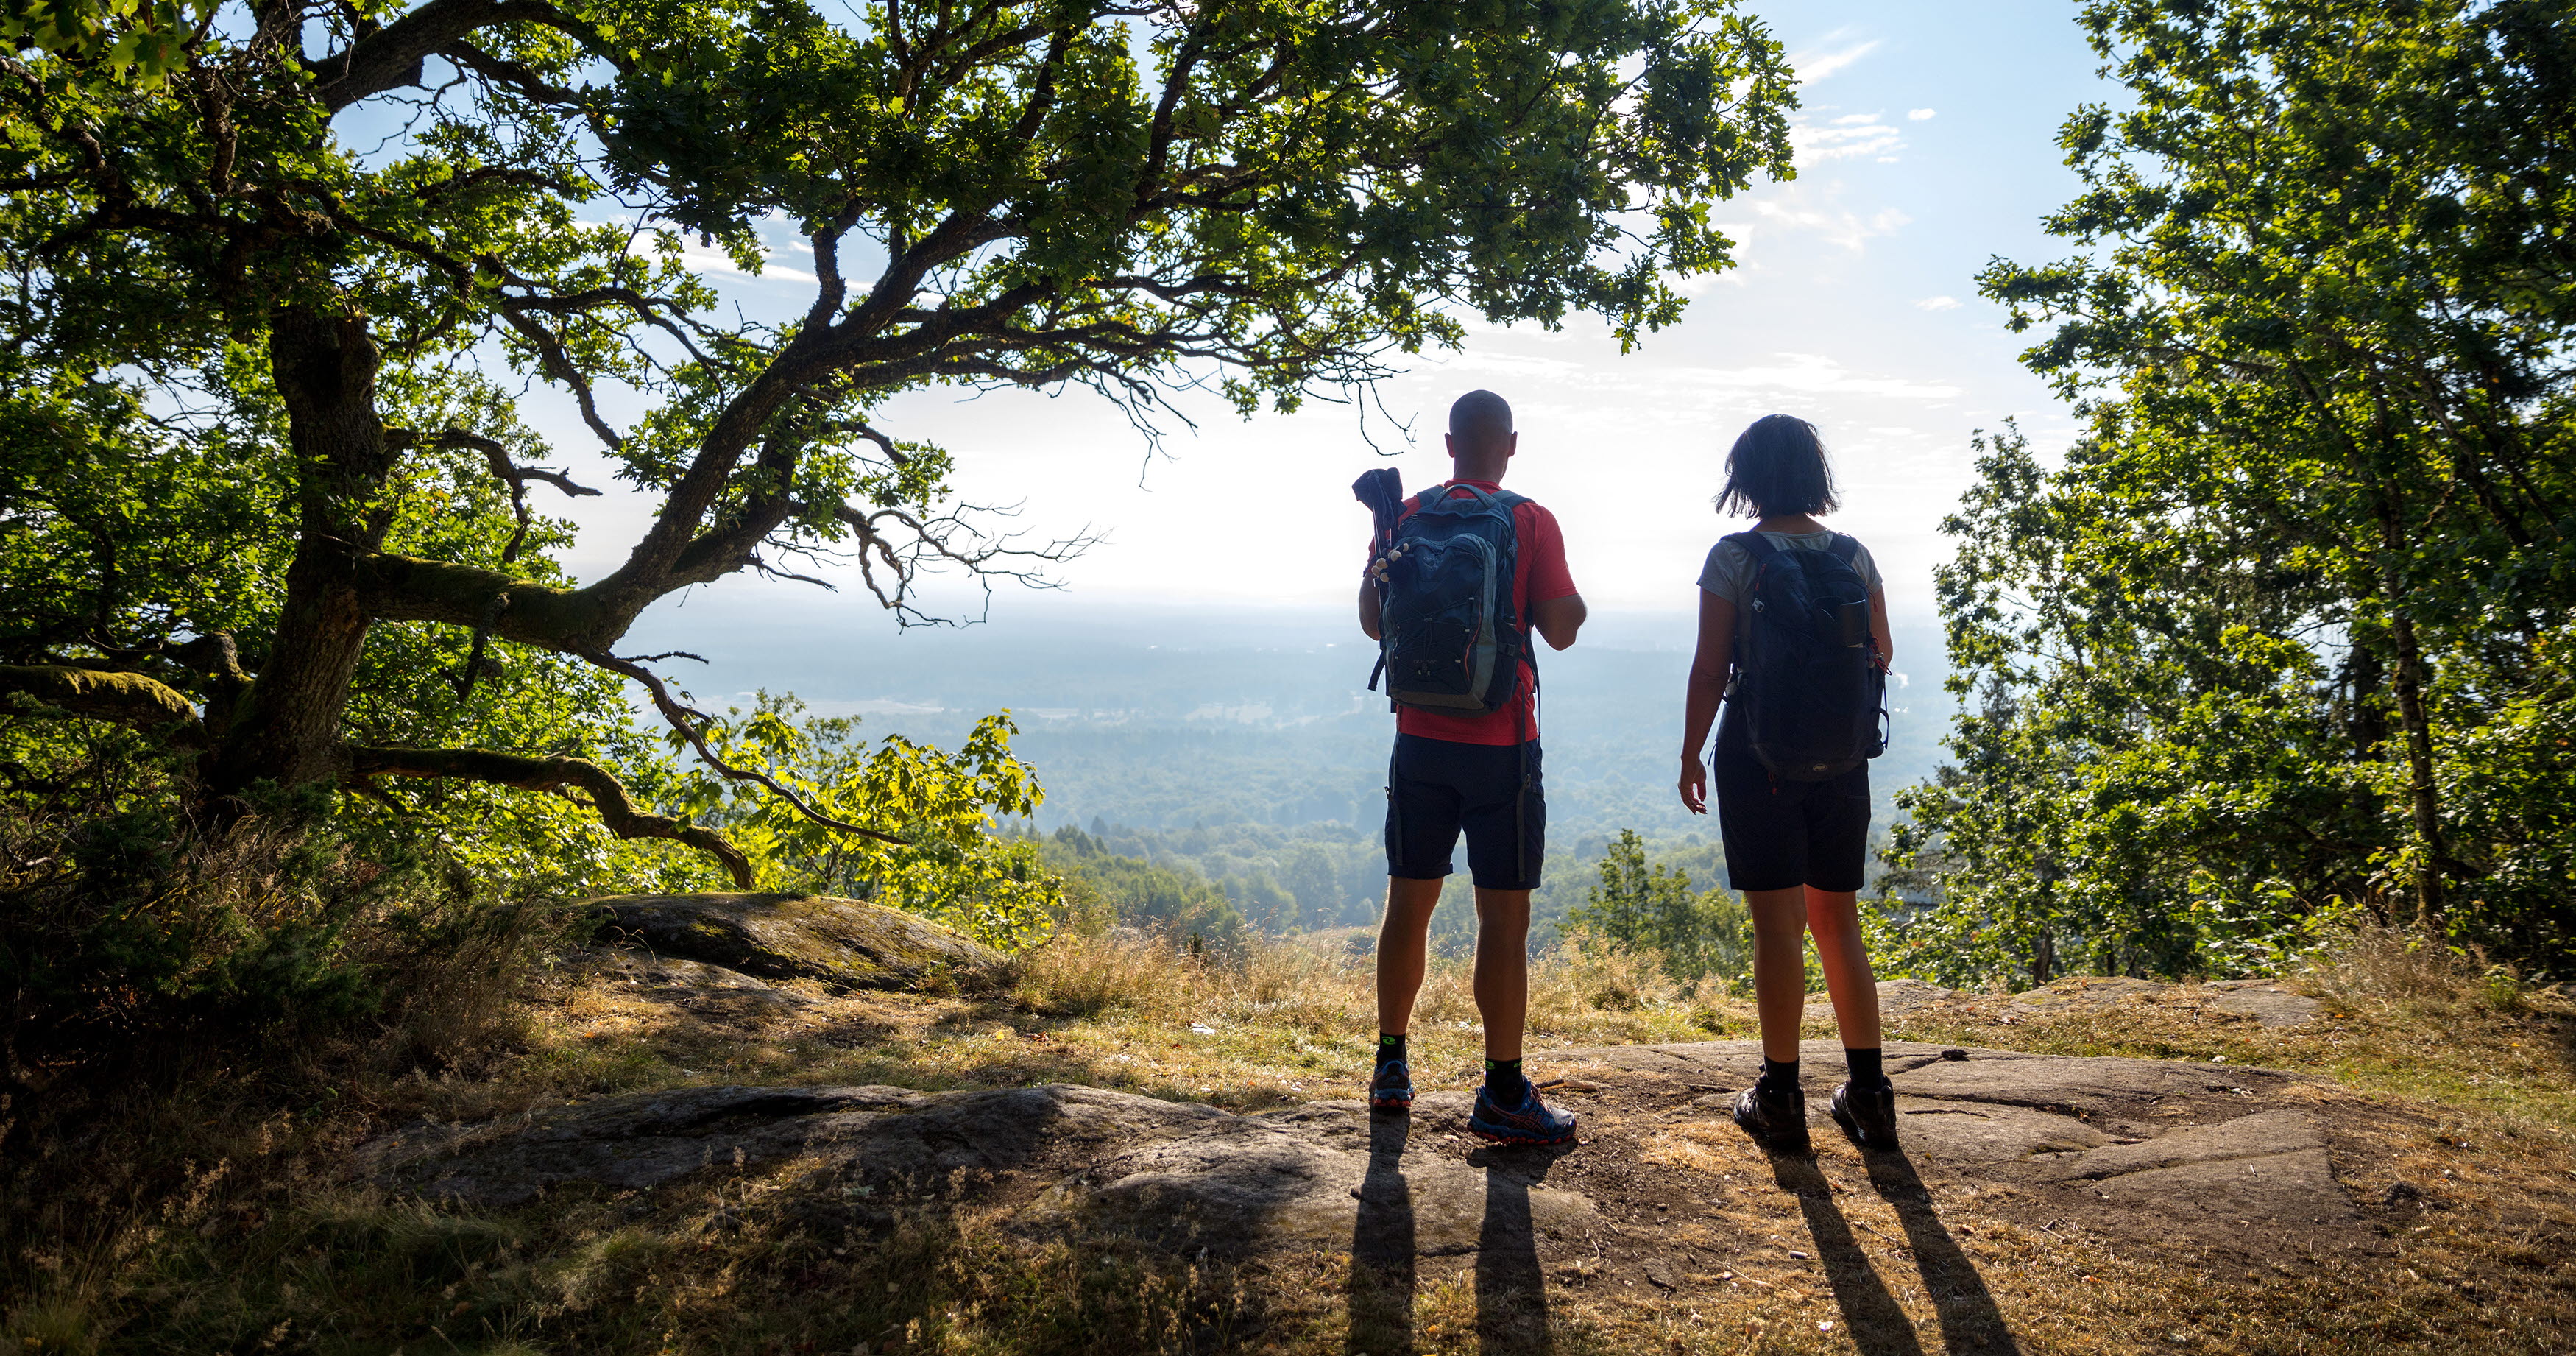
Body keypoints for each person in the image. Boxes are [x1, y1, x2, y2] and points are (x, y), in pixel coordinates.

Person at [1358, 389, 1588, 1145]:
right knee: (1502, 918)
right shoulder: (1527, 519)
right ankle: (1500, 1089)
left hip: (1420, 737)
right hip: (1502, 748)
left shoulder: (1409, 513)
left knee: (1408, 903)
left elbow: (1371, 619)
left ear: (1449, 439)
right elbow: (1560, 630)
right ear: (1510, 445)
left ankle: (1391, 1065)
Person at [1676, 413, 1900, 1151]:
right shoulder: (1853, 555)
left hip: (1757, 758)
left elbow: (1711, 667)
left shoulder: (1734, 557)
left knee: (1777, 927)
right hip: (1841, 761)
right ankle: (1868, 1095)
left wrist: (1690, 754)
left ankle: (1779, 1096)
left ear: (1745, 477)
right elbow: (1880, 651)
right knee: (1838, 922)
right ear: (1814, 475)